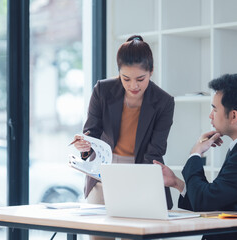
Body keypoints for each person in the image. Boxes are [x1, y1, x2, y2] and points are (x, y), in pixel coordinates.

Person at [154, 74, 237, 240]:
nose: (210, 115)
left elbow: (205, 202)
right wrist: (177, 183)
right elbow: (214, 201)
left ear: (234, 116)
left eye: (215, 109)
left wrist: (195, 154)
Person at [73, 35, 174, 210]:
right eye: (125, 78)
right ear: (118, 72)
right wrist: (84, 145)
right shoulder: (102, 90)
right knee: (100, 235)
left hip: (141, 172)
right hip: (103, 173)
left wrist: (132, 182)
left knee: (134, 233)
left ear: (151, 71)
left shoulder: (163, 101)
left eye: (140, 79)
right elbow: (91, 132)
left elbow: (155, 150)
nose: (133, 85)